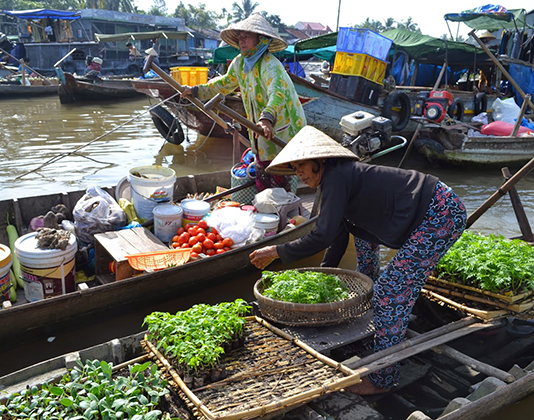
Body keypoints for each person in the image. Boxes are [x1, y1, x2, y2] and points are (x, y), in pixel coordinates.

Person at [249, 126, 467, 395]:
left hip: (440, 212)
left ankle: (383, 378)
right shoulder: (334, 182)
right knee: (364, 262)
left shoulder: (337, 176)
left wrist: (277, 251)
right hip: (426, 209)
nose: (300, 173)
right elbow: (336, 238)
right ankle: (380, 326)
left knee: (390, 291)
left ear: (320, 161)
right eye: (295, 168)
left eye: (302, 165)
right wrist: (322, 277)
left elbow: (322, 234)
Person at [181, 13, 306, 192]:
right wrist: (195, 90)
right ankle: (268, 210)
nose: (241, 41)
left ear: (261, 39)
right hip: (259, 129)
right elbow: (223, 84)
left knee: (281, 180)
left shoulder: (270, 64)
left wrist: (267, 118)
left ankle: (283, 212)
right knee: (263, 177)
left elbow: (277, 94)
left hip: (282, 128)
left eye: (247, 36)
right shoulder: (240, 64)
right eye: (240, 37)